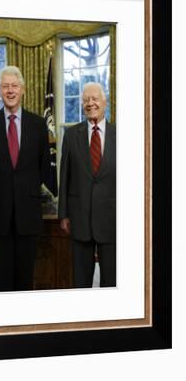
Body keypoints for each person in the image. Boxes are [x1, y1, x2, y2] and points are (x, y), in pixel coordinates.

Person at [0, 65, 53, 291]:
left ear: (22, 89)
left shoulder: (38, 124)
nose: (10, 91)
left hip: (28, 213)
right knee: (1, 277)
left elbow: (45, 167)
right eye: (5, 86)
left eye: (14, 86)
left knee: (25, 276)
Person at [58, 82, 116, 288]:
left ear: (105, 102)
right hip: (79, 218)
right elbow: (65, 176)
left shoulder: (120, 135)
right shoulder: (72, 135)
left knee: (112, 281)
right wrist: (63, 213)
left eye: (95, 99)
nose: (90, 103)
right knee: (81, 280)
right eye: (86, 100)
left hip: (112, 219)